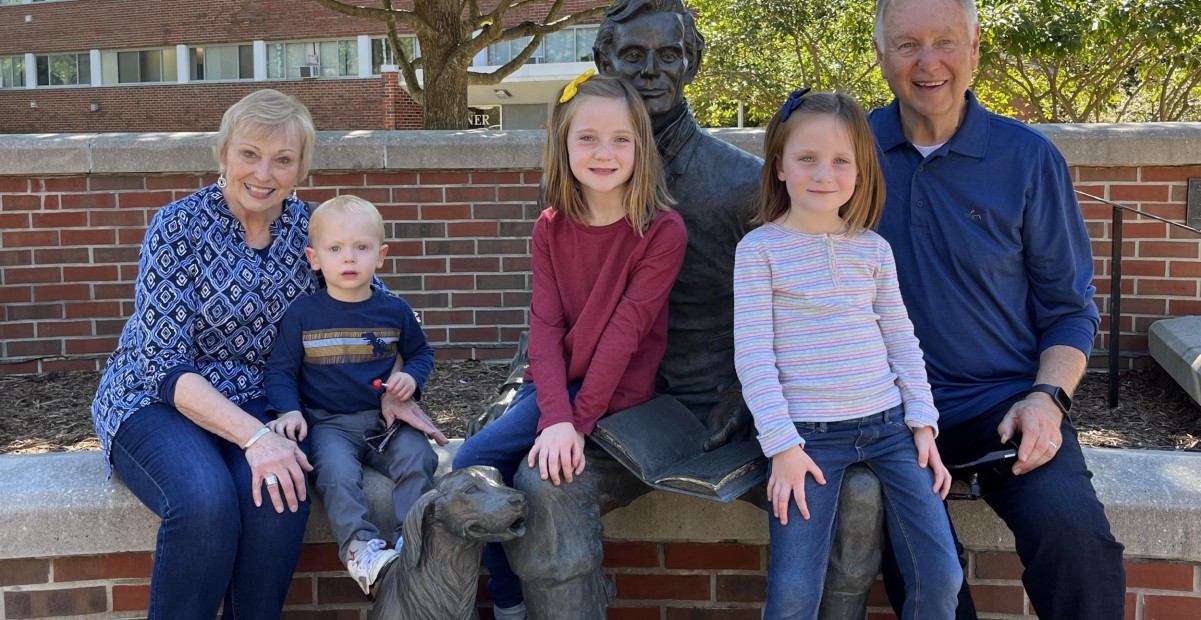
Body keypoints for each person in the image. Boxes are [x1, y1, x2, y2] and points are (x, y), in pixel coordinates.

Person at [89, 89, 443, 620]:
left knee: (280, 497)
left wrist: (395, 387)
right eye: (249, 153)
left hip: (262, 395)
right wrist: (256, 439)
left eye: (283, 158)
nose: (264, 172)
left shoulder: (314, 229)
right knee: (205, 502)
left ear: (302, 166)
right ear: (224, 152)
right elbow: (163, 363)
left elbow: (376, 309)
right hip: (155, 398)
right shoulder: (177, 227)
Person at [864, 0, 1127, 617]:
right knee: (927, 573)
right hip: (886, 417)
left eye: (946, 42)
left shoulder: (1028, 159)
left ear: (976, 48)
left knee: (1075, 538)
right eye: (906, 45)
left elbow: (1070, 308)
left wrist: (1047, 399)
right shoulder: (847, 156)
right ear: (880, 57)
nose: (928, 63)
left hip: (1006, 404)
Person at [453, 71, 687, 620]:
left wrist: (574, 424)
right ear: (563, 143)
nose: (604, 152)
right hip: (558, 384)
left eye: (620, 139)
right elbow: (545, 328)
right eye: (587, 138)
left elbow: (625, 336)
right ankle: (509, 599)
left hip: (619, 390)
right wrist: (555, 414)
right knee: (475, 462)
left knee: (515, 468)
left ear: (640, 147)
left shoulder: (662, 232)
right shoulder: (550, 228)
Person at [734, 89, 960, 620]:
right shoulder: (760, 251)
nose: (824, 174)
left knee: (943, 573)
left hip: (891, 431)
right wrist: (782, 446)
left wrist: (923, 422)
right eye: (807, 158)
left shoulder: (872, 249)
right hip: (808, 440)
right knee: (794, 592)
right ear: (780, 166)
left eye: (841, 161)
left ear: (860, 171)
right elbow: (754, 357)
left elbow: (902, 340)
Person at [263, 195, 440, 597]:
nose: (349, 258)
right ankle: (360, 548)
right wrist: (288, 410)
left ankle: (411, 541)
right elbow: (280, 371)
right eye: (336, 248)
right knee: (337, 475)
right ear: (314, 258)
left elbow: (421, 353)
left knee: (420, 456)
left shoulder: (394, 311)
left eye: (361, 247)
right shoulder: (303, 314)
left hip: (384, 420)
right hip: (328, 424)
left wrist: (411, 380)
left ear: (381, 256)